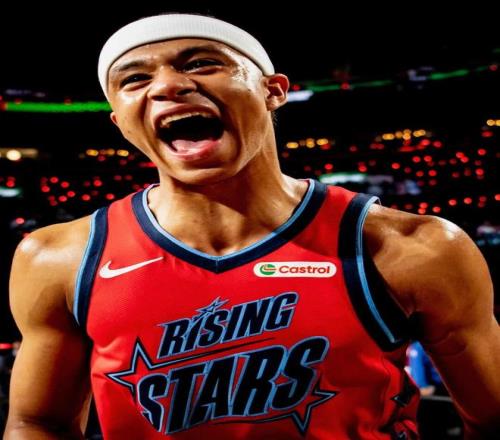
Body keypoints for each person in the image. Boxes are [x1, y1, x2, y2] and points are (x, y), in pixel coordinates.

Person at [4, 13, 500, 440]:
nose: (167, 85)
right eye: (134, 79)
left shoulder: (414, 248)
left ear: (273, 90)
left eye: (201, 64)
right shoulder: (59, 258)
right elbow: (37, 423)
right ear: (121, 123)